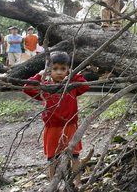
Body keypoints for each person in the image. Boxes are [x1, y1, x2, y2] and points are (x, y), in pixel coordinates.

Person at [22, 52, 89, 186]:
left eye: (63, 69)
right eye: (55, 69)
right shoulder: (45, 87)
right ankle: (53, 184)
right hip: (52, 129)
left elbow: (85, 85)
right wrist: (40, 75)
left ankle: (78, 182)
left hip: (71, 127)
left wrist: (73, 74)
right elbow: (27, 88)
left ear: (68, 70)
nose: (59, 72)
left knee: (75, 156)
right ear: (49, 71)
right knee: (52, 158)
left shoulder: (72, 86)